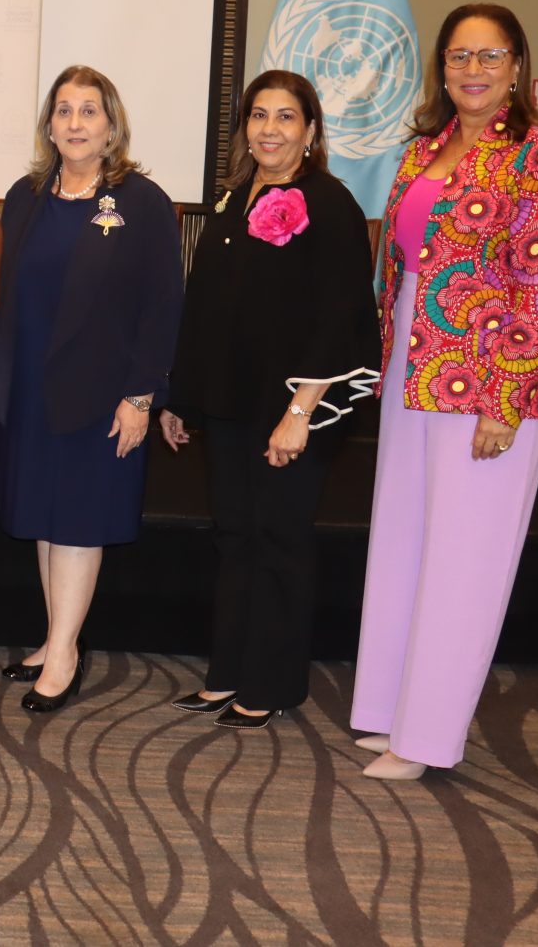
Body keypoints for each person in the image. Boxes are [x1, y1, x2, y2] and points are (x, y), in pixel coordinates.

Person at [349, 3, 538, 781]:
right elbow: (401, 263)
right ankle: (392, 710)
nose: (472, 70)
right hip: (412, 363)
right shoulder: (424, 148)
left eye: (489, 55)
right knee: (405, 540)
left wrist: (506, 400)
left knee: (463, 560)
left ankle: (427, 738)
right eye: (458, 56)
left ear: (517, 65)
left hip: (487, 376)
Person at [159, 70, 378, 726]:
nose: (270, 129)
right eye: (259, 115)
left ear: (310, 130)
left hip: (294, 407)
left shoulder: (329, 203)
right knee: (236, 535)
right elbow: (206, 306)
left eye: (286, 117)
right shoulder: (235, 197)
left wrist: (300, 413)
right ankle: (228, 672)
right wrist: (182, 399)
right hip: (231, 401)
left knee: (279, 537)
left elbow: (339, 317)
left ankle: (273, 683)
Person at [0, 66, 182, 713]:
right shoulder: (26, 197)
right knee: (45, 519)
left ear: (111, 125)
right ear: (49, 125)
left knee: (75, 522)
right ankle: (55, 636)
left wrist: (142, 395)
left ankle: (65, 655)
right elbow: (5, 295)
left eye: (89, 111)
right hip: (31, 389)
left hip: (102, 395)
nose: (75, 123)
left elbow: (163, 306)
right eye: (64, 110)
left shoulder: (141, 202)